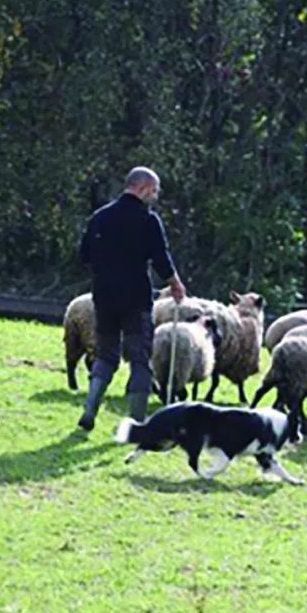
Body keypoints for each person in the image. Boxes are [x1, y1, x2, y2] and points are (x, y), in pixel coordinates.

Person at [76, 166, 186, 432]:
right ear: (143, 187)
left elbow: (84, 256)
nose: (155, 196)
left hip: (103, 296)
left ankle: (90, 411)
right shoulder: (148, 221)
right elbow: (161, 257)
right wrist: (175, 283)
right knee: (140, 359)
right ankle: (138, 423)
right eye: (155, 190)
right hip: (135, 299)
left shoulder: (100, 217)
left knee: (106, 355)